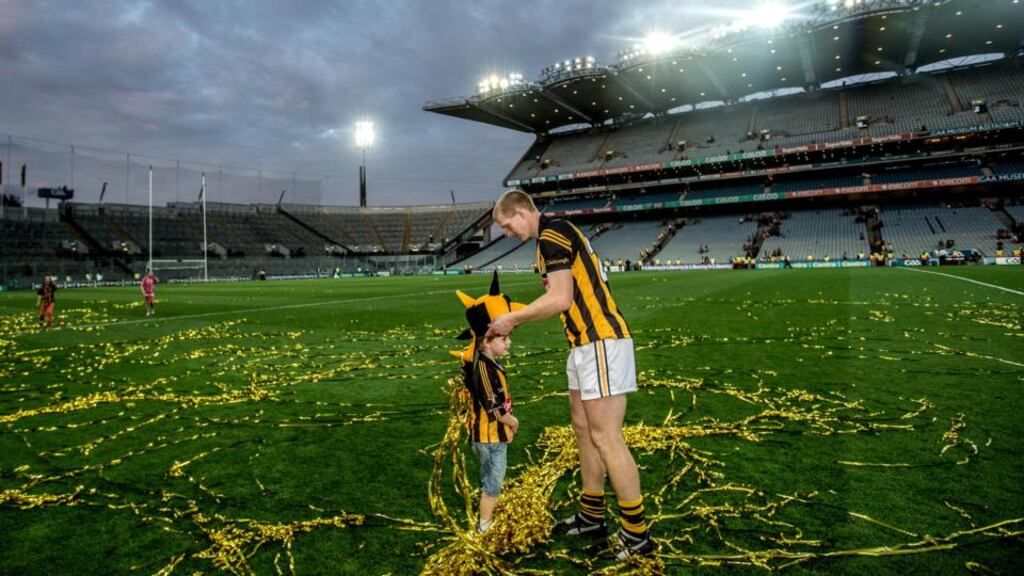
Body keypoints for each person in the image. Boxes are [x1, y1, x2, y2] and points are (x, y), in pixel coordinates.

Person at [486, 189, 654, 559]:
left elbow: (561, 298)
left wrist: (512, 319)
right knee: (583, 430)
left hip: (601, 343)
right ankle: (592, 516)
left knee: (607, 437)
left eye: (506, 224)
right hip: (583, 346)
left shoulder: (552, 234)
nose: (507, 232)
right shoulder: (548, 238)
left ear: (520, 212)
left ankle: (637, 535)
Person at [454, 272, 524, 534]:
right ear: (486, 341)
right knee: (492, 483)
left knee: (492, 479)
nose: (509, 342)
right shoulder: (484, 369)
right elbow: (494, 408)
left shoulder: (489, 363)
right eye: (504, 338)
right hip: (489, 437)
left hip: (494, 435)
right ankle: (485, 526)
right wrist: (513, 422)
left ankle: (487, 513)